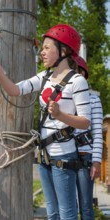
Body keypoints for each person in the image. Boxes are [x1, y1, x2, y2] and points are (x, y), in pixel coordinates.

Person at [0, 24, 91, 220]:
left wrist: (60, 115)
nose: (42, 52)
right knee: (52, 212)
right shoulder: (45, 77)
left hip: (64, 156)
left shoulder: (77, 81)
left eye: (47, 47)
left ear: (64, 50)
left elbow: (85, 122)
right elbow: (15, 90)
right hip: (43, 155)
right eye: (42, 48)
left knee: (67, 213)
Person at [74, 55, 103, 220]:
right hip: (66, 156)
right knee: (69, 205)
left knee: (85, 207)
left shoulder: (93, 100)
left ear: (82, 74)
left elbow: (98, 132)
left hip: (85, 157)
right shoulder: (65, 99)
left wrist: (97, 161)